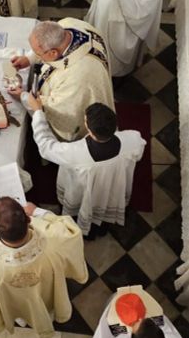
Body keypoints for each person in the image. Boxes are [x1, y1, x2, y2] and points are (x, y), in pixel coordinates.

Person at [0, 197, 86, 338]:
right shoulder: (55, 240)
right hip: (47, 294)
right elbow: (73, 232)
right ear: (28, 219)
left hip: (9, 301)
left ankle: (21, 318)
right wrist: (37, 211)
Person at [26, 100, 145, 236]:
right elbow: (139, 151)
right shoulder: (131, 139)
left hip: (83, 193)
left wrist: (38, 113)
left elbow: (46, 146)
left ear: (89, 129)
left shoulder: (75, 153)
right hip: (112, 186)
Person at [8, 18, 113, 141]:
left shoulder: (77, 78)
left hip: (85, 98)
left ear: (53, 53)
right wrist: (29, 58)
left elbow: (62, 111)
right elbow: (44, 49)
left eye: (38, 54)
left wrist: (24, 97)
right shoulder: (67, 24)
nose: (37, 56)